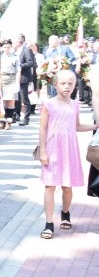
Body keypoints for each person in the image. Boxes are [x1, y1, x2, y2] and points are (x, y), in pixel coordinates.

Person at [36, 70, 93, 238]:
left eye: (70, 83)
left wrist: (93, 127)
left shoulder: (75, 105)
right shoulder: (49, 104)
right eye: (63, 83)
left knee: (67, 187)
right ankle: (48, 223)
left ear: (75, 85)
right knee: (50, 186)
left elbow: (76, 126)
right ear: (55, 85)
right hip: (53, 147)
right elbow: (42, 128)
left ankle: (66, 213)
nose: (67, 86)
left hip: (70, 148)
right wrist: (43, 151)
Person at [0, 39, 20, 129]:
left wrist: (17, 83)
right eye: (5, 47)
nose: (6, 49)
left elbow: (18, 71)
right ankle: (2, 121)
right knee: (2, 102)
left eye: (8, 47)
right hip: (2, 79)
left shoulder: (15, 57)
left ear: (11, 47)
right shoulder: (0, 57)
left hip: (11, 79)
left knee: (10, 101)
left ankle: (9, 121)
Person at [16, 35, 36, 125]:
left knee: (24, 98)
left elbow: (30, 62)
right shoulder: (14, 51)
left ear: (19, 43)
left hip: (23, 77)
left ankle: (26, 118)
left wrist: (20, 66)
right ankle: (16, 115)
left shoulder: (26, 50)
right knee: (16, 98)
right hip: (15, 77)